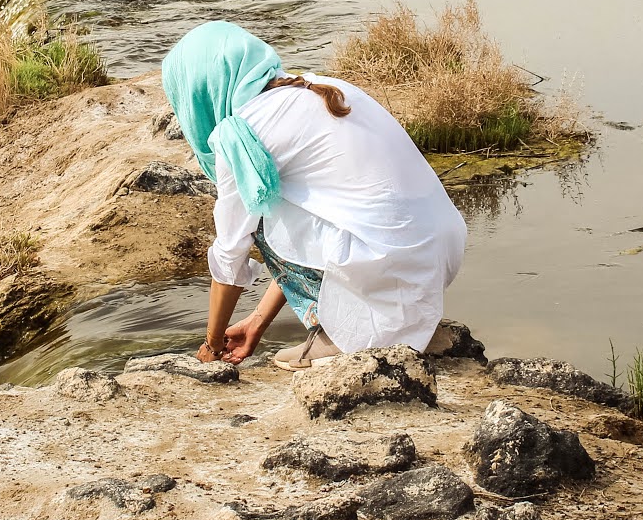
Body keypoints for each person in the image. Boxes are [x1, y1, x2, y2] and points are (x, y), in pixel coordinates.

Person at [161, 20, 467, 368]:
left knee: (255, 216)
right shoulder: (321, 84)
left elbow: (231, 252)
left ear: (197, 94)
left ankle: (343, 334)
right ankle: (369, 320)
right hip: (437, 253)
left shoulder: (241, 134)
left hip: (389, 263)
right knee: (275, 202)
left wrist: (212, 346)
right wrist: (258, 320)